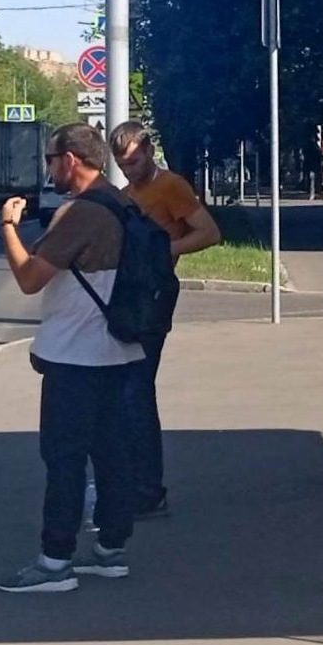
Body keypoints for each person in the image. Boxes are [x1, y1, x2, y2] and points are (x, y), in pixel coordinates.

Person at [0, 123, 146, 592]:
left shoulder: (81, 213)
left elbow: (29, 278)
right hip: (121, 350)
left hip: (76, 358)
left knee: (64, 459)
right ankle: (111, 551)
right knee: (113, 455)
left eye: (50, 160)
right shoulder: (122, 204)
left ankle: (55, 562)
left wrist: (7, 226)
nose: (49, 170)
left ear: (71, 160)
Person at [108, 121, 222, 519]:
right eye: (122, 164)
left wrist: (163, 250)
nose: (129, 170)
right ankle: (137, 484)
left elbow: (209, 232)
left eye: (134, 161)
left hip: (154, 298)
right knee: (128, 392)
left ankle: (148, 491)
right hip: (135, 296)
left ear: (149, 152)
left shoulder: (171, 186)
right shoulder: (128, 194)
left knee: (136, 392)